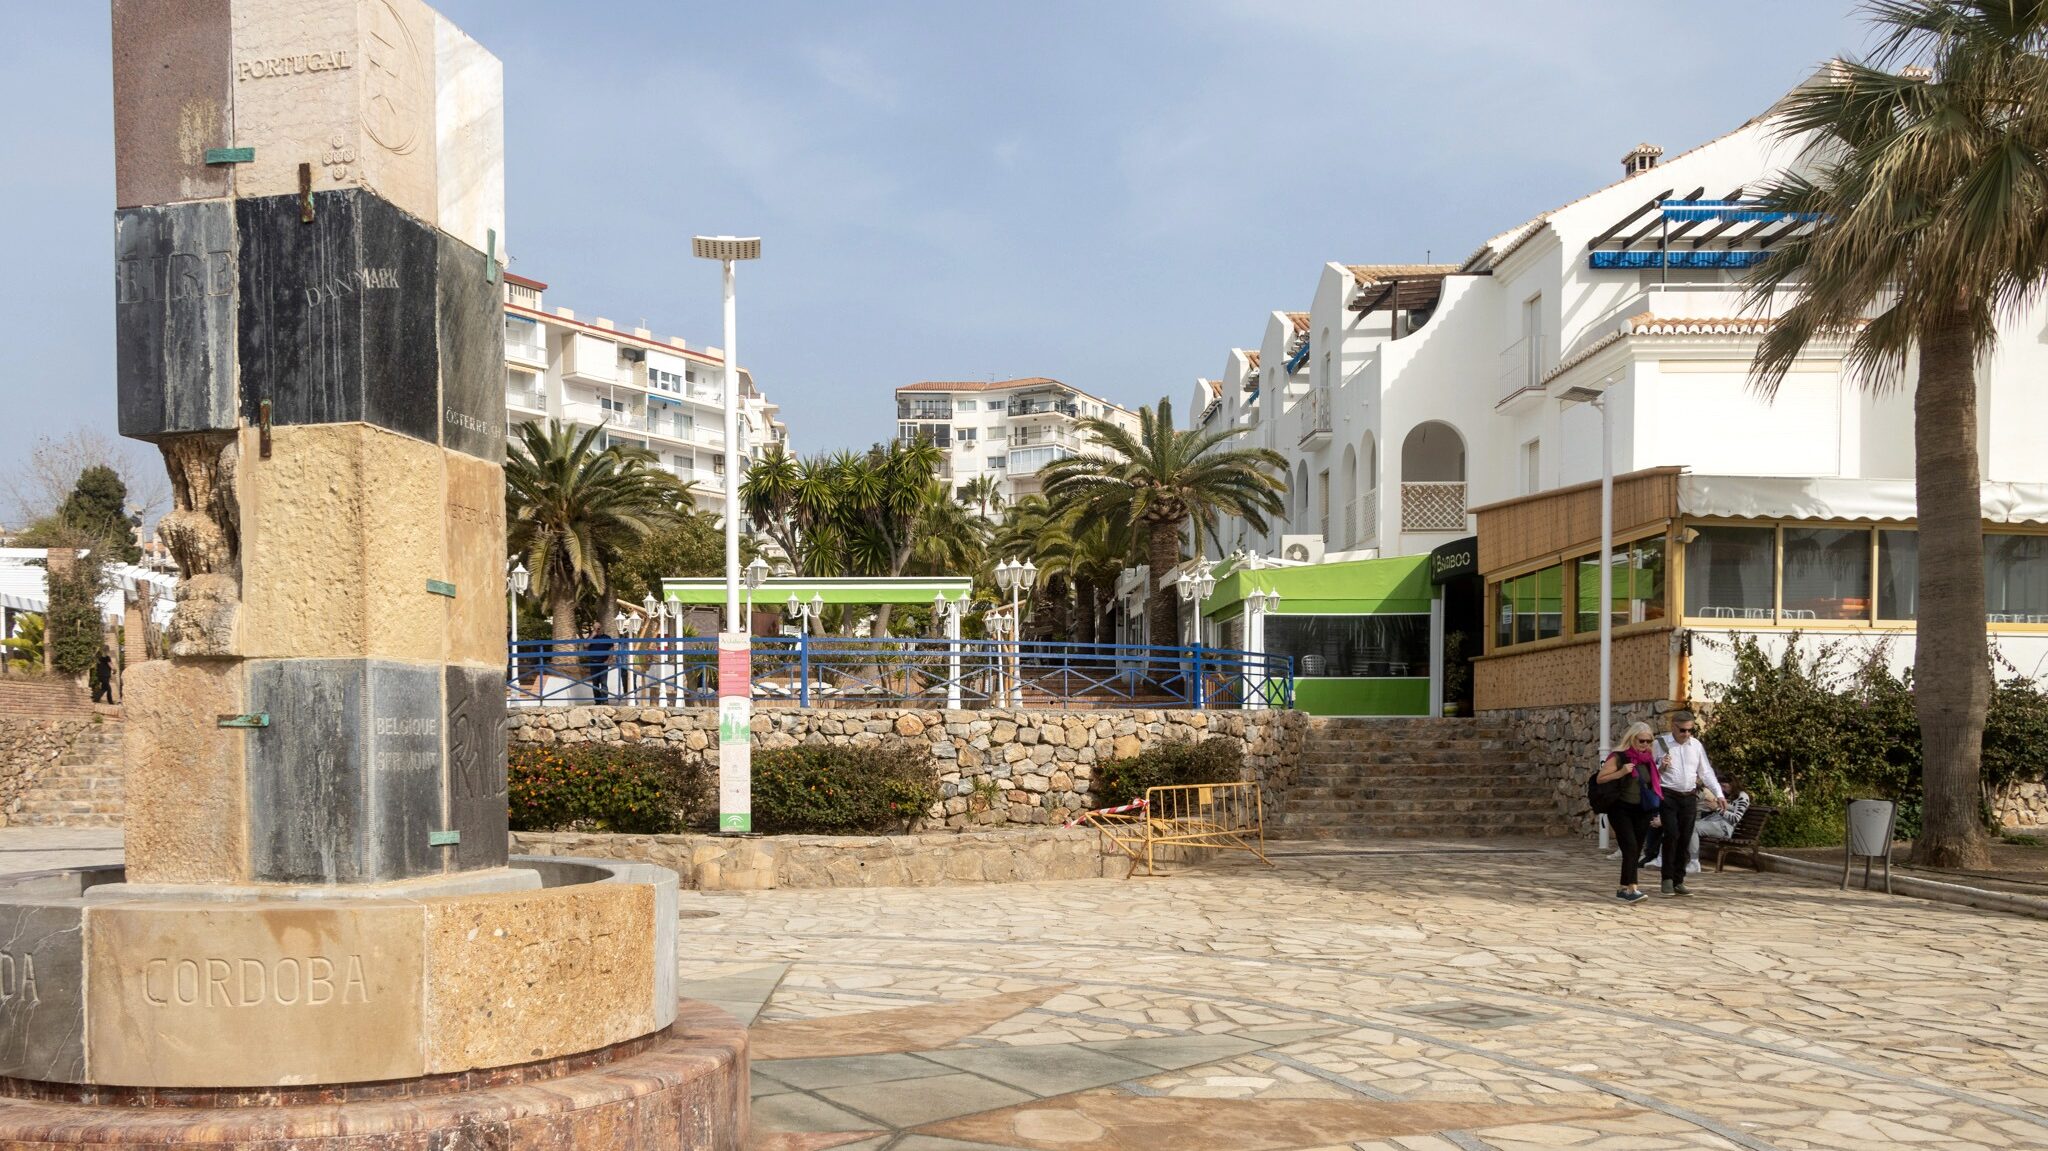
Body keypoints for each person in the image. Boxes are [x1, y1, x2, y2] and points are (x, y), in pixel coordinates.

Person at [1651, 709, 1725, 896]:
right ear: (1673, 727)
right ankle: (1667, 878)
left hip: (1689, 796)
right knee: (1672, 835)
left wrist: (1719, 794)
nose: (1686, 734)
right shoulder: (1660, 744)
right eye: (1682, 730)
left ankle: (1679, 880)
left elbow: (1705, 772)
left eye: (1689, 730)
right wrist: (1661, 767)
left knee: (1685, 838)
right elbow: (1651, 773)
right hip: (1668, 794)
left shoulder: (1696, 746)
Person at [1595, 722, 1664, 904]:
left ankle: (1624, 887)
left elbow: (1651, 783)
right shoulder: (1619, 757)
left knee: (1635, 848)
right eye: (1642, 741)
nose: (1645, 745)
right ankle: (1631, 887)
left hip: (1641, 809)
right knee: (1630, 847)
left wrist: (1662, 768)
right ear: (1632, 739)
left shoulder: (1648, 760)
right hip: (1620, 808)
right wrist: (1621, 772)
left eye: (1649, 741)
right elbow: (1600, 778)